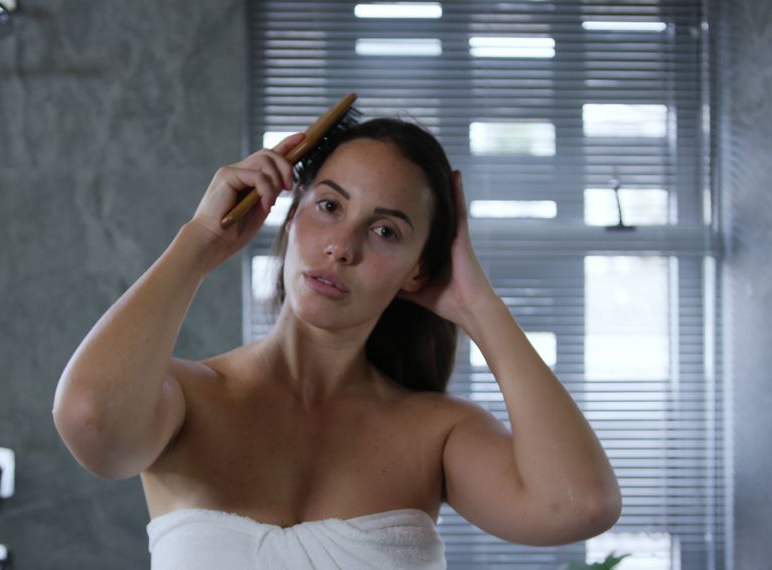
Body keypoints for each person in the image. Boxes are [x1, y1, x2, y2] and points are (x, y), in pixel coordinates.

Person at [53, 118, 622, 569]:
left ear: (417, 273)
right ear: (290, 212)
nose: (341, 247)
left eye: (385, 231)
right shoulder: (182, 401)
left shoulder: (439, 433)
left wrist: (477, 305)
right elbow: (89, 422)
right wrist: (200, 240)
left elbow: (579, 505)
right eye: (329, 206)